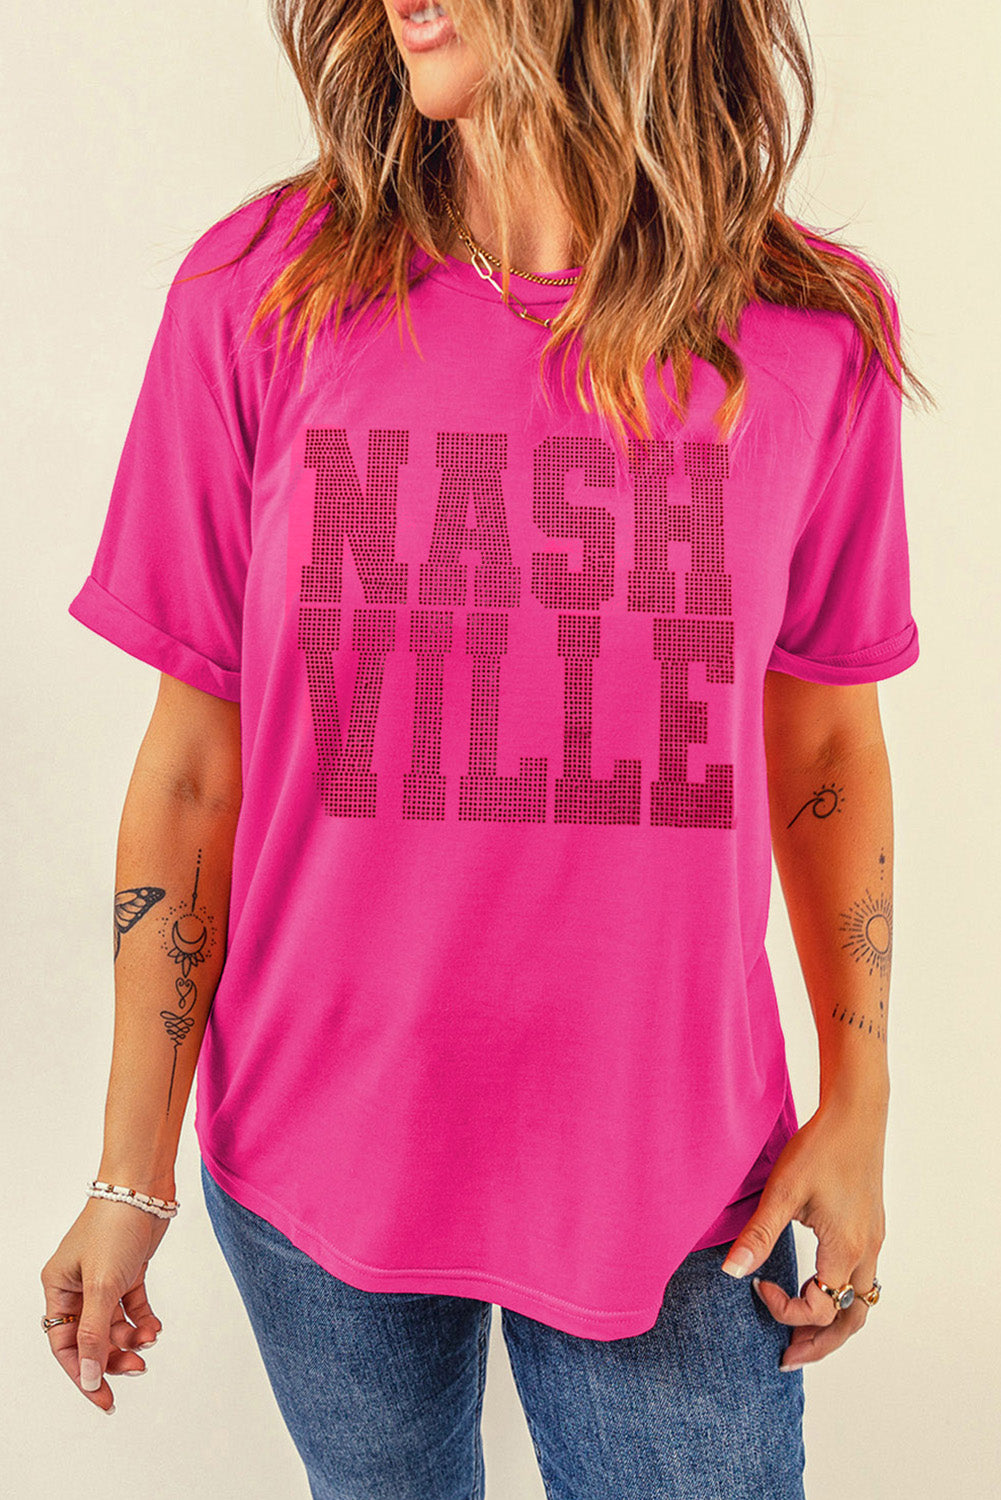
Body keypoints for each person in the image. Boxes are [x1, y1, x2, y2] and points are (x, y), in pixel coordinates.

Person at [41, 1, 925, 1495]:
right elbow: (194, 766)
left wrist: (861, 1101)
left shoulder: (811, 329)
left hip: (669, 1177)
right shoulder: (259, 293)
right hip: (317, 1150)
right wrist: (130, 1175)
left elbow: (828, 736)